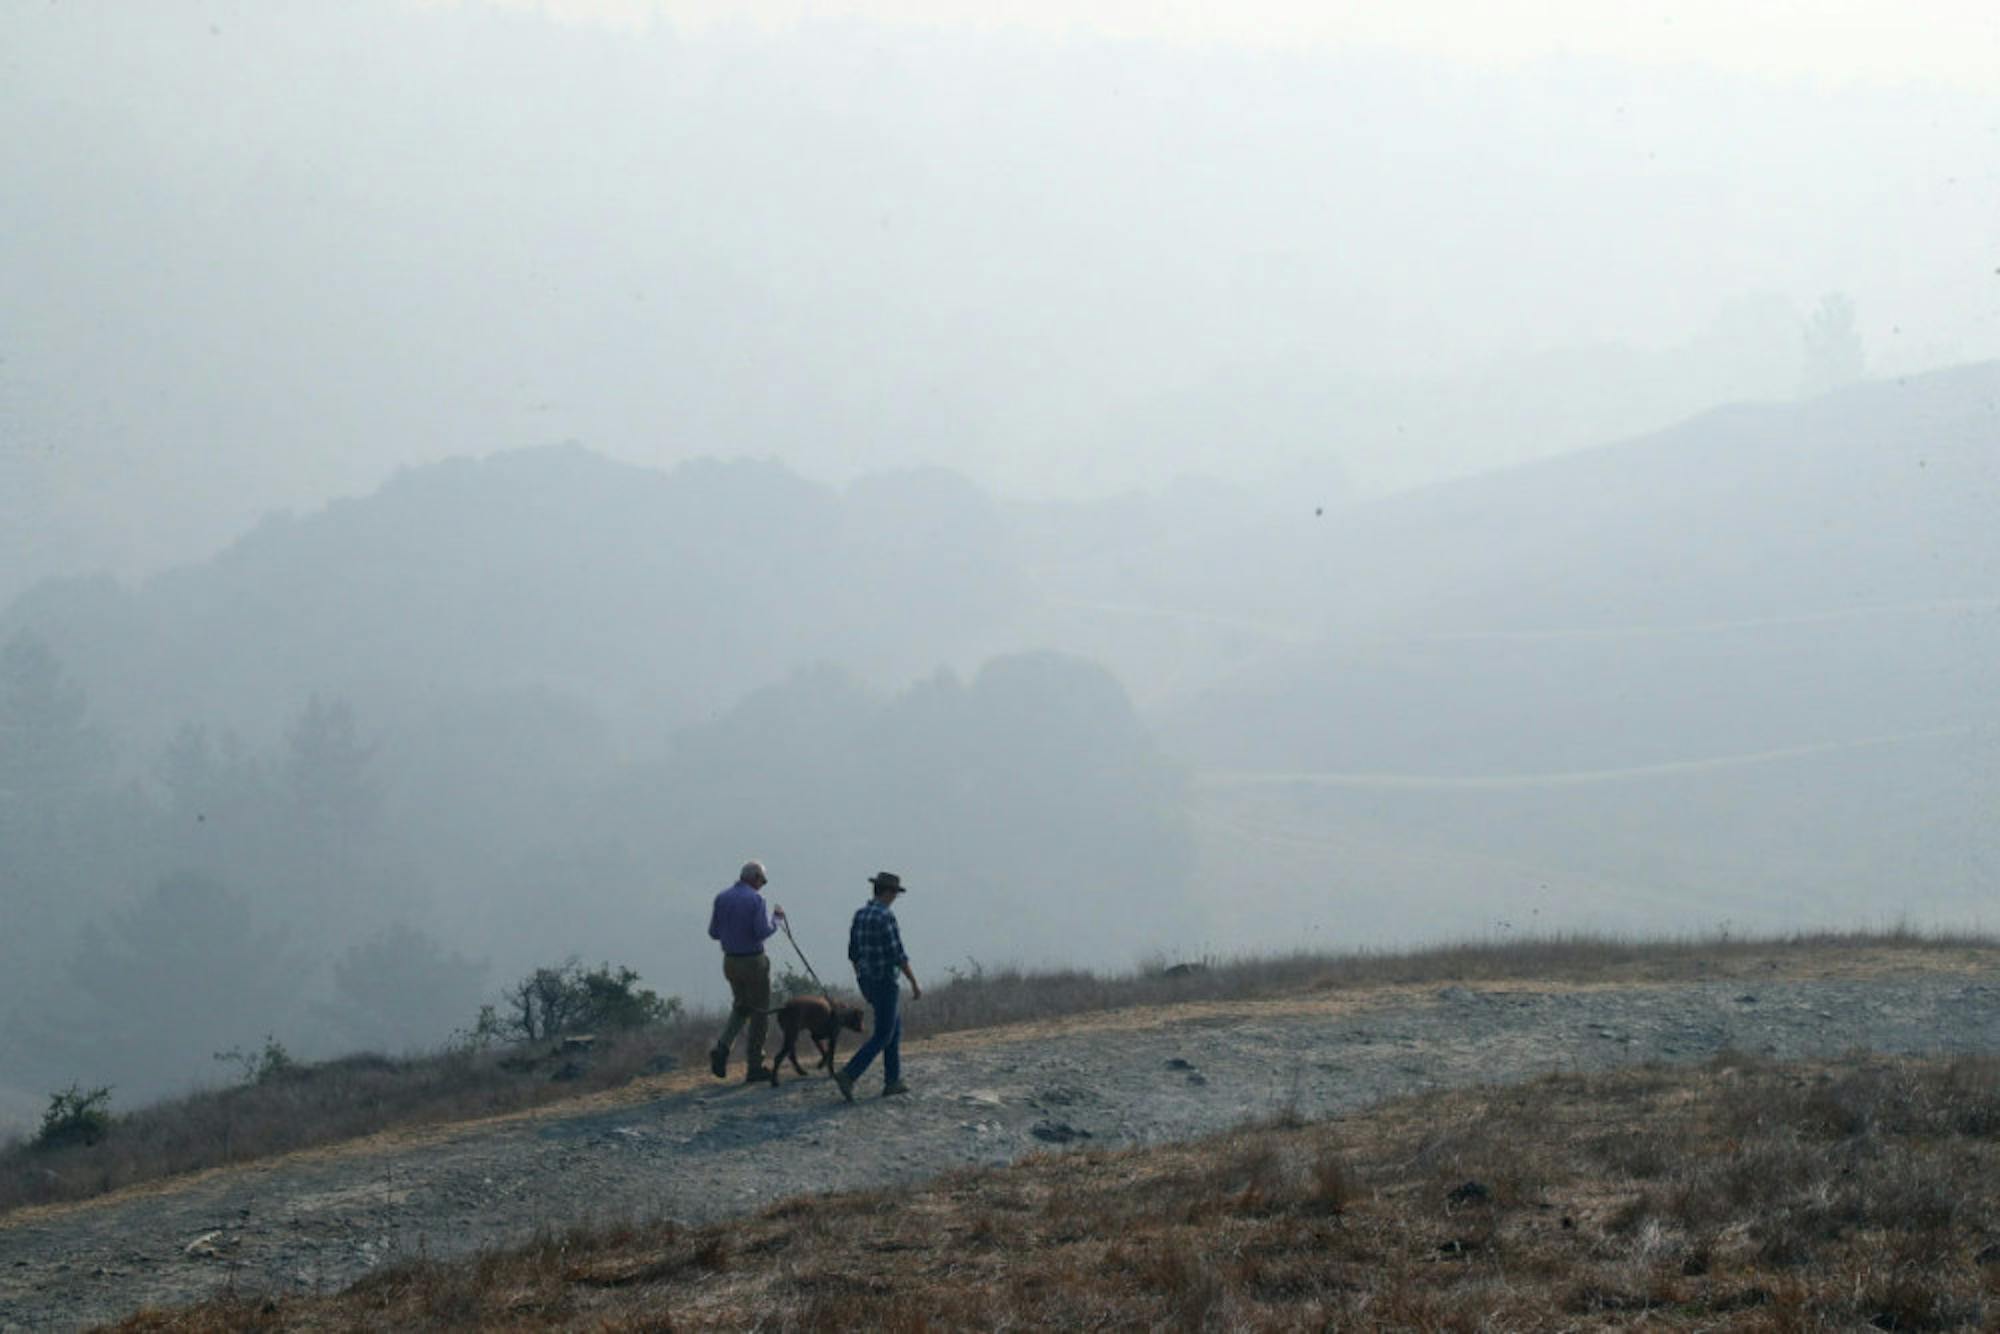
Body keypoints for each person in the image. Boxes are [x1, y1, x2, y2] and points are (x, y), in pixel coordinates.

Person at [834, 871, 921, 1101]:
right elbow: (898, 954)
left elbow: (853, 952)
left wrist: (862, 979)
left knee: (894, 1028)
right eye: (894, 893)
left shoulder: (860, 914)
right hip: (885, 980)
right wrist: (913, 982)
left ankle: (893, 1081)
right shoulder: (885, 917)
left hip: (868, 980)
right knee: (883, 1034)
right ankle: (849, 1074)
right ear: (888, 892)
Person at [707, 859, 785, 1081]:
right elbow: (761, 931)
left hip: (730, 961)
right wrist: (777, 920)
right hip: (753, 961)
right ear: (755, 879)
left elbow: (713, 932)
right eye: (763, 880)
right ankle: (754, 1066)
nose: (763, 884)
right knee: (760, 1013)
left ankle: (722, 1047)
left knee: (741, 1007)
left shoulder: (722, 898)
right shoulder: (756, 899)